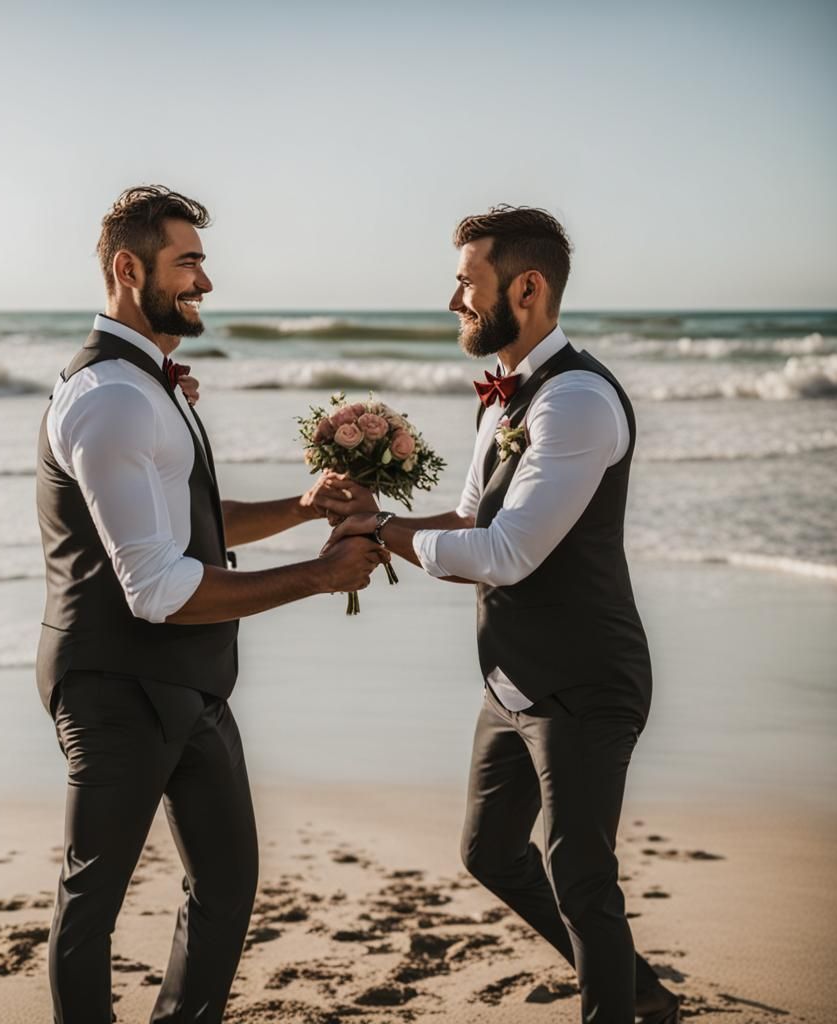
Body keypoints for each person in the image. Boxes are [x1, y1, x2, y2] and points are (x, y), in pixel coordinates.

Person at [35, 185, 386, 1024]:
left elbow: (188, 524)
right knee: (94, 899)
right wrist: (317, 576)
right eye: (187, 262)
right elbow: (155, 586)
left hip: (194, 682)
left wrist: (301, 508)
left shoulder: (151, 387)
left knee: (227, 886)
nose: (206, 281)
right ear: (129, 270)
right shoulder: (111, 398)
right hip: (114, 686)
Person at [321, 206, 680, 1023]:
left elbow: (509, 552)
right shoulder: (502, 400)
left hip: (584, 683)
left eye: (467, 282)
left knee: (580, 875)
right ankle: (641, 992)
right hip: (511, 680)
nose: (454, 300)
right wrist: (375, 519)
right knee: (489, 852)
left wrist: (384, 533)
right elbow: (468, 523)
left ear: (527, 288)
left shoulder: (577, 401)